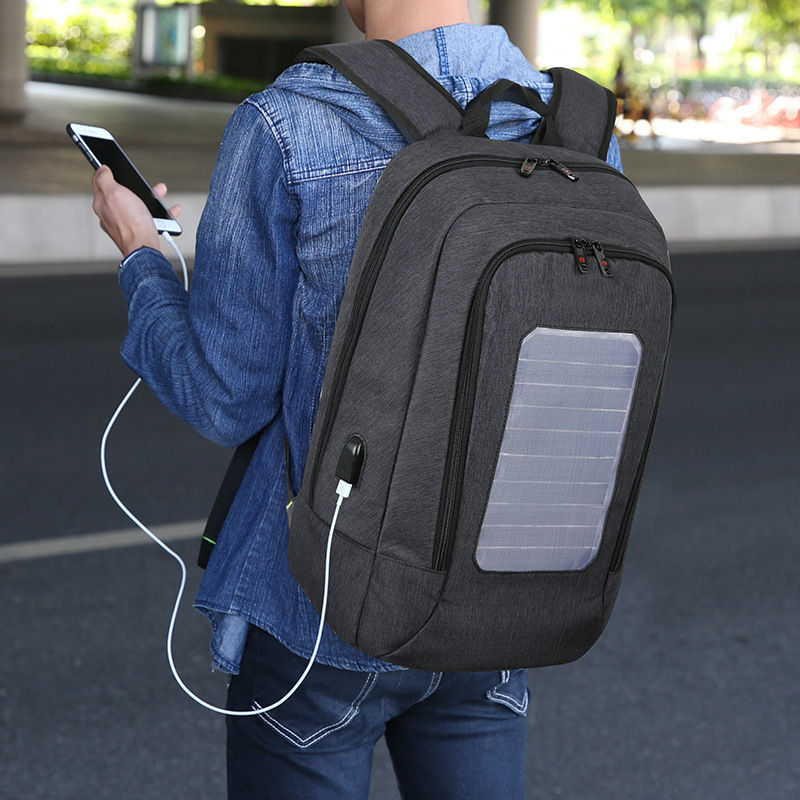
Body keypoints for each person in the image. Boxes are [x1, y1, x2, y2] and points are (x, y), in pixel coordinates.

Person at [92, 1, 623, 797]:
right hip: (496, 605)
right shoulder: (579, 128)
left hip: (318, 609)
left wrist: (142, 257)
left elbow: (224, 398)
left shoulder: (290, 122)